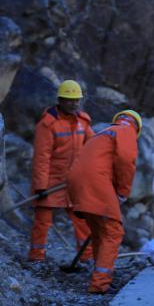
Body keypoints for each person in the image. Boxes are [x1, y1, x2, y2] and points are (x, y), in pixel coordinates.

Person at [67, 110, 141, 294]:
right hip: (95, 180)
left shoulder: (104, 132)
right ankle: (100, 283)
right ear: (137, 127)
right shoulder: (127, 130)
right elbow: (126, 161)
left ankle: (99, 276)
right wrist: (123, 192)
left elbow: (105, 162)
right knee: (113, 231)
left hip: (76, 180)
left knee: (100, 231)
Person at [28, 80, 94, 263]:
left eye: (77, 100)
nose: (74, 104)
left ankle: (86, 257)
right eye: (69, 100)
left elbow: (94, 146)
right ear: (60, 100)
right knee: (43, 222)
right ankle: (36, 258)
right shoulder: (48, 124)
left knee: (82, 220)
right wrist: (41, 186)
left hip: (73, 182)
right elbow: (42, 157)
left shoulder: (83, 122)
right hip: (51, 182)